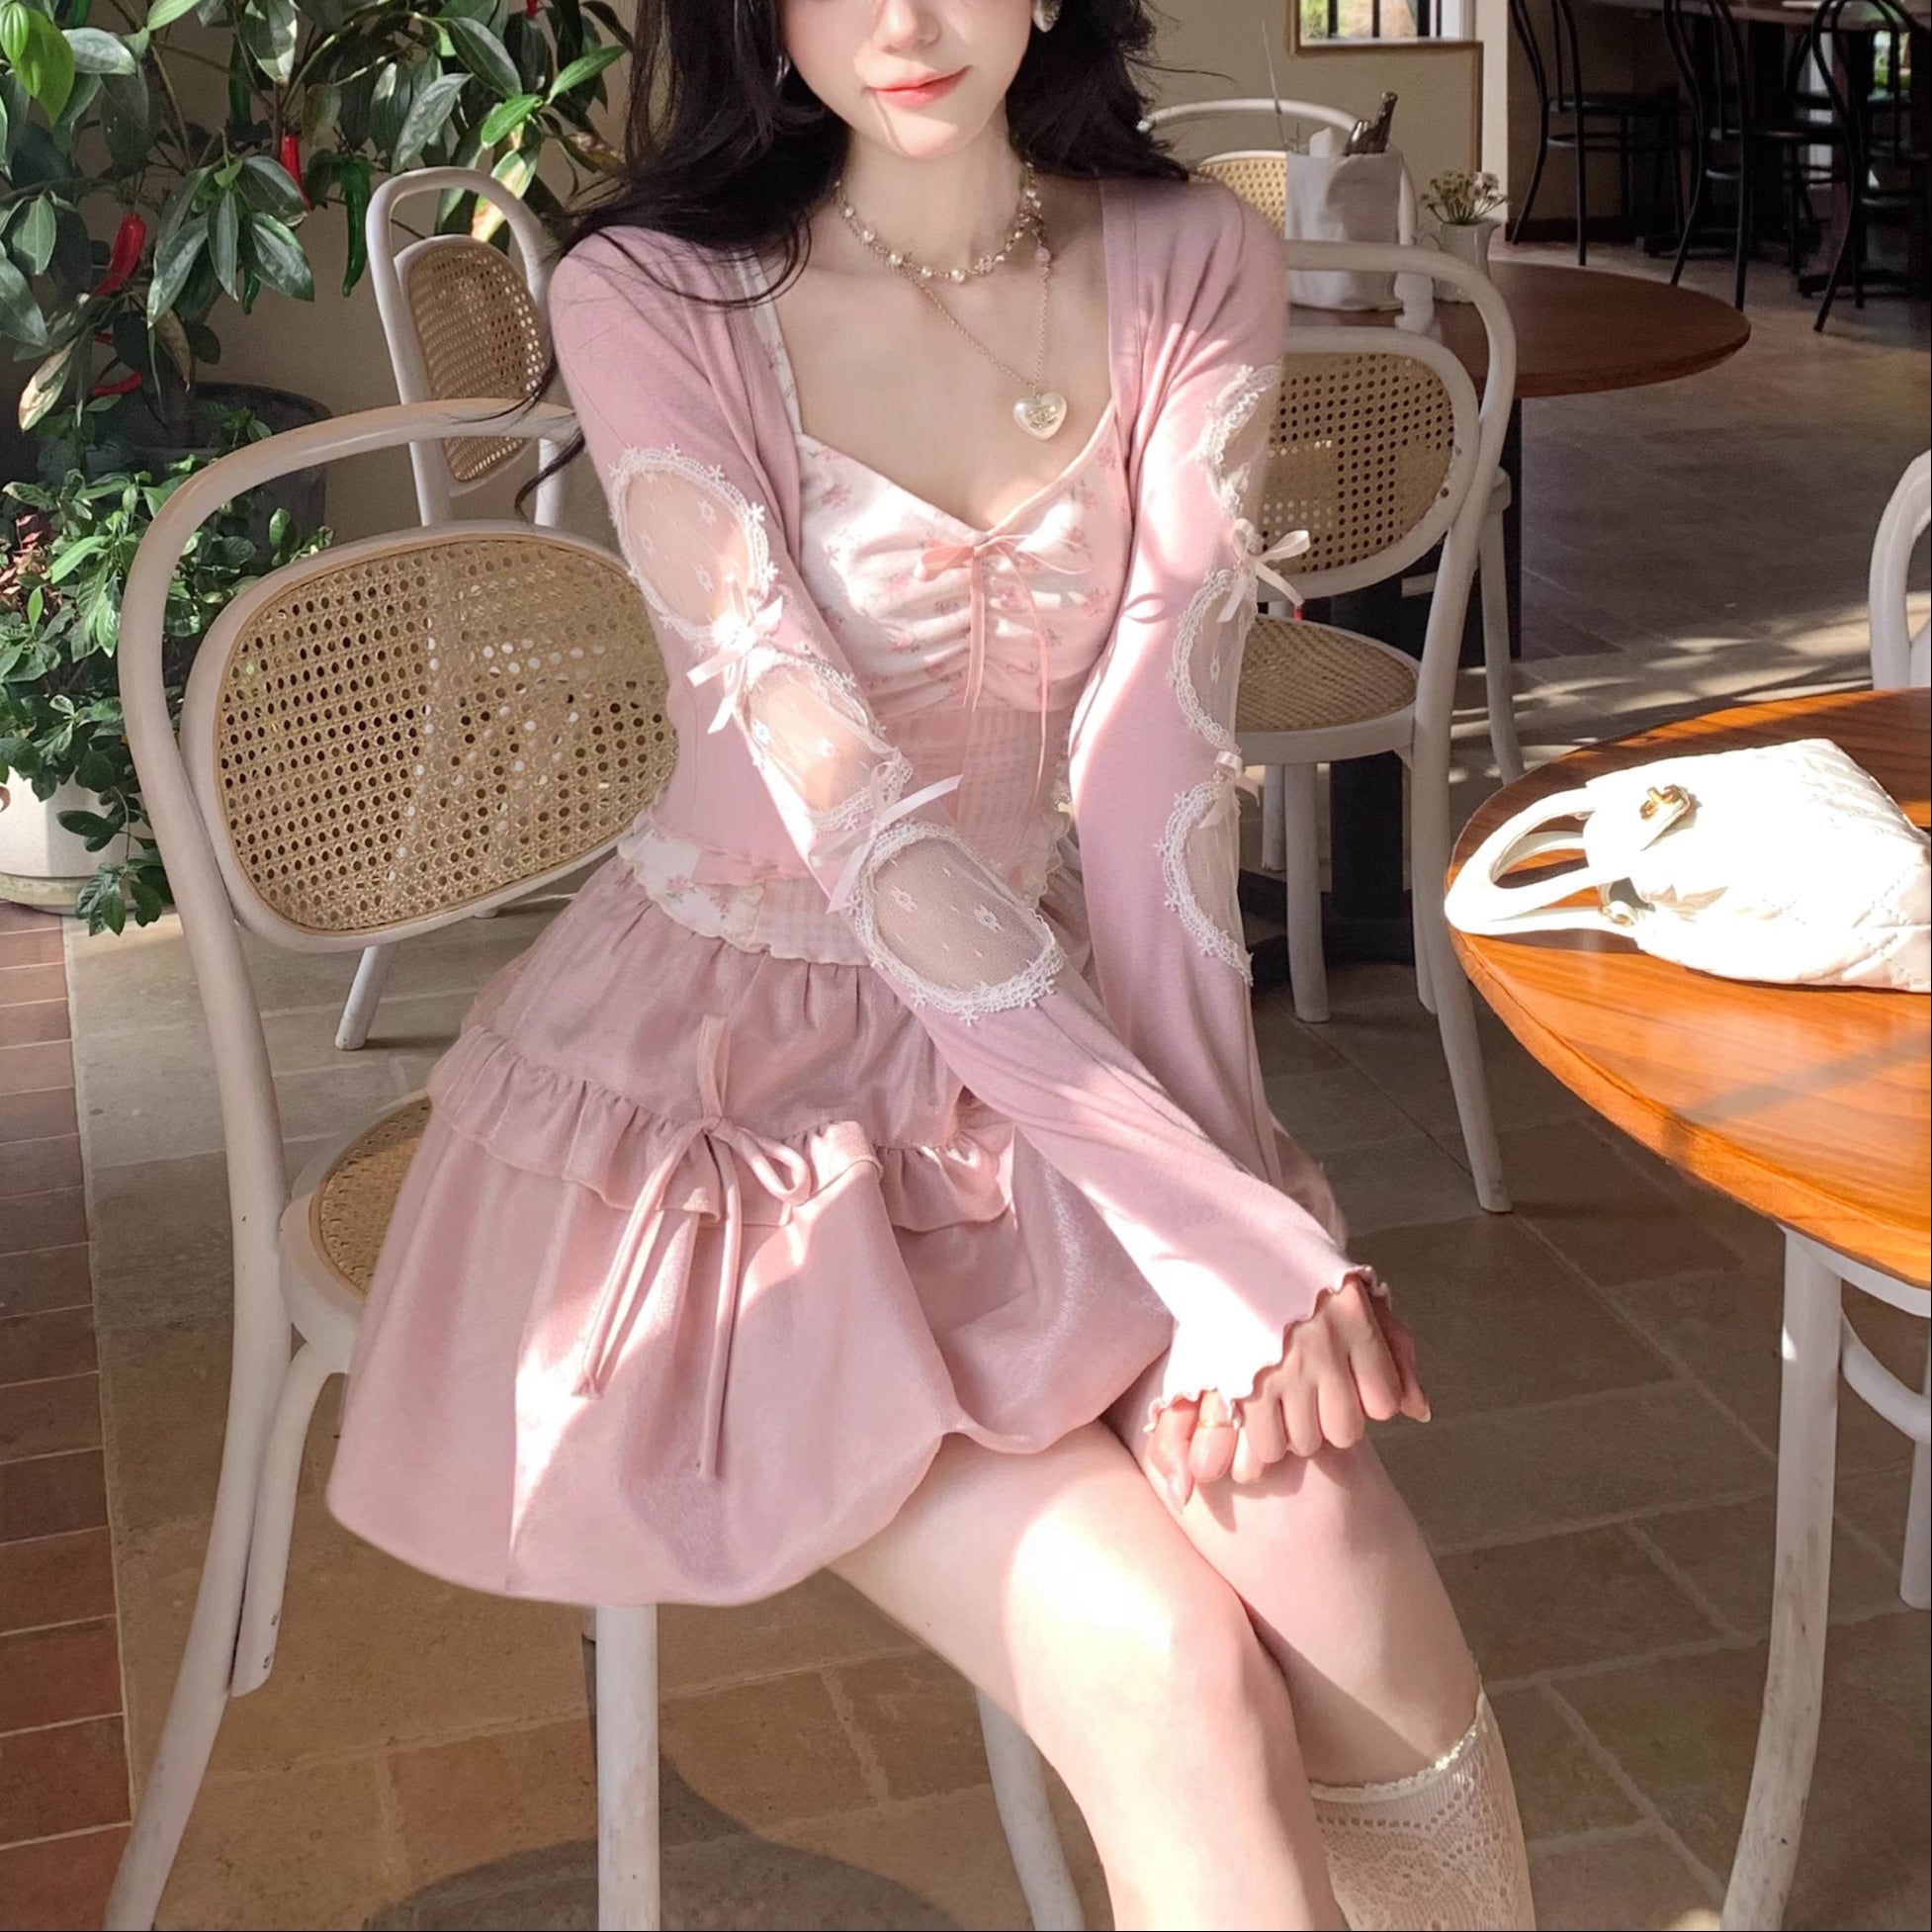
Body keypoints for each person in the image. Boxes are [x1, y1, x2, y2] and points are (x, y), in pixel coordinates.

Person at [328, 2, 1536, 1925]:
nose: (900, 22)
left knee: (1343, 1574)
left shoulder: (1188, 257)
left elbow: (1150, 779)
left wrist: (1226, 1207)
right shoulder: (652, 295)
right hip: (723, 1113)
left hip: (1045, 1073)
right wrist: (1203, 1223)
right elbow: (855, 826)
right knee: (1169, 1670)